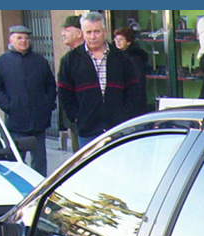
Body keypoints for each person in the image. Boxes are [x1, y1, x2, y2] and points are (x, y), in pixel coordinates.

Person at [57, 12, 141, 148]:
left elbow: (133, 89)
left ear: (104, 32)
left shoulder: (121, 58)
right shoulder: (70, 60)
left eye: (97, 31)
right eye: (88, 32)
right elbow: (64, 93)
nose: (93, 36)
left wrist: (125, 114)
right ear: (83, 33)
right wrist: (76, 117)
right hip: (87, 129)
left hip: (117, 128)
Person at [0, 25, 57, 175]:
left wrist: (47, 103)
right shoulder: (1, 62)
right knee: (17, 160)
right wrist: (9, 105)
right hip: (16, 120)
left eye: (26, 38)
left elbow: (50, 85)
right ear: (11, 39)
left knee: (39, 160)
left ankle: (40, 187)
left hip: (38, 119)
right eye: (19, 38)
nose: (23, 41)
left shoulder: (39, 61)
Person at [58, 15, 84, 151]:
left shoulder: (86, 58)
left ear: (79, 33)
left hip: (87, 122)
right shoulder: (69, 58)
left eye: (67, 30)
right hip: (75, 121)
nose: (63, 34)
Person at [113, 26, 150, 116]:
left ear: (128, 42)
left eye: (121, 39)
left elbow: (138, 83)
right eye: (116, 39)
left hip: (133, 105)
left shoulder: (134, 59)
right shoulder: (117, 56)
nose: (117, 42)